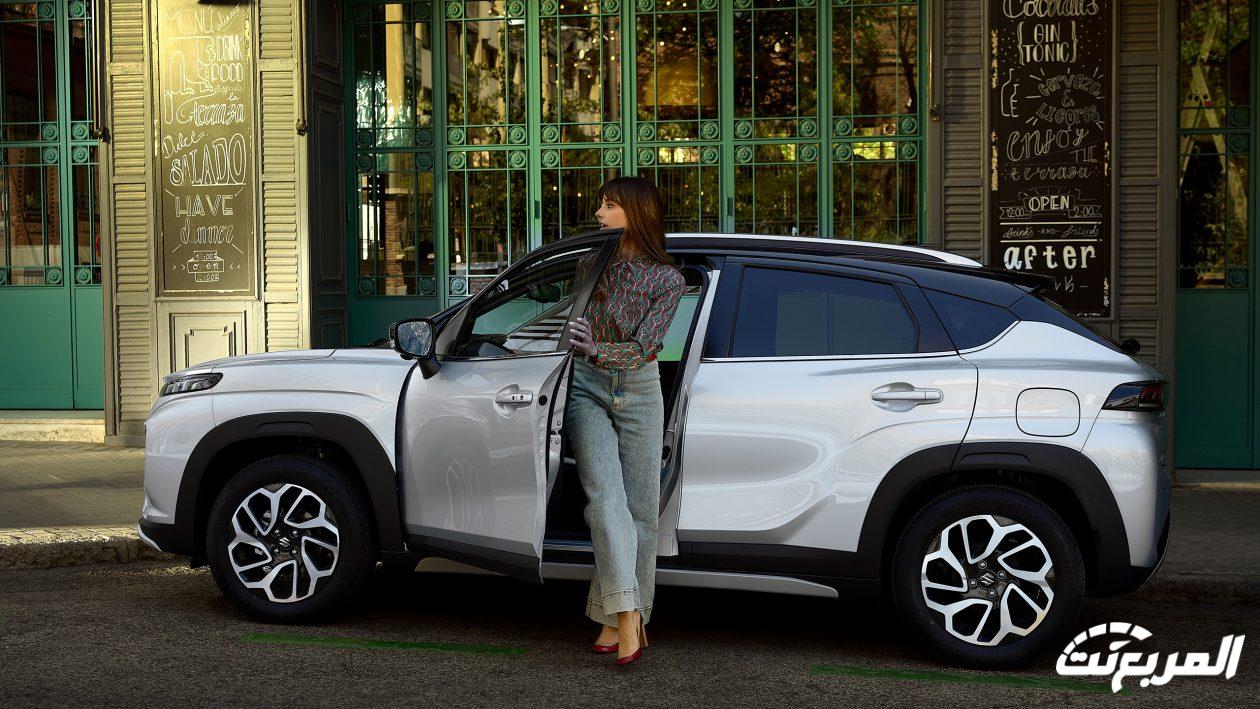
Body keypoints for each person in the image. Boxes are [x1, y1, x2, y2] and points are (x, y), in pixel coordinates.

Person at [564, 176, 687, 666]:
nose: (599, 212)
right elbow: (571, 324)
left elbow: (644, 347)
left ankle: (610, 618)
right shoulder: (590, 265)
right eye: (600, 204)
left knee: (640, 512)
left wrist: (599, 347)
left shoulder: (668, 280)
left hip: (639, 389)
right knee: (605, 502)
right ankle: (630, 614)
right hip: (586, 387)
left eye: (609, 205)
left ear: (636, 212)